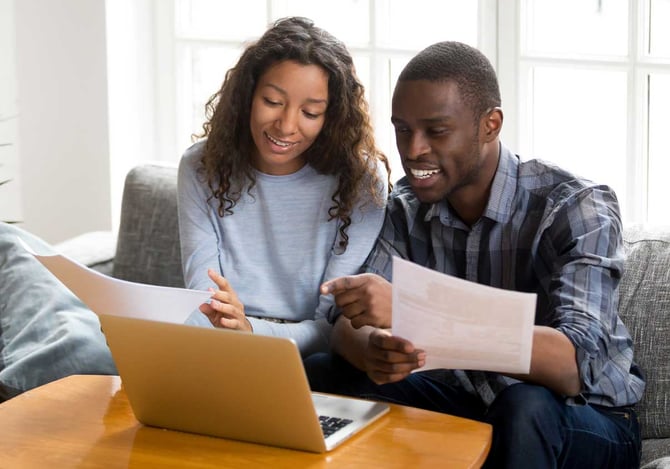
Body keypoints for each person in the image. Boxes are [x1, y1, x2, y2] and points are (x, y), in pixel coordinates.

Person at [305, 41, 645, 467]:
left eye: (436, 130)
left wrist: (417, 313)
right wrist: (372, 347)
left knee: (525, 407)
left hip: (583, 416)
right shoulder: (407, 206)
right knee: (324, 370)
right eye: (403, 129)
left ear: (490, 124)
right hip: (468, 402)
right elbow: (343, 326)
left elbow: (574, 364)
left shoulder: (576, 206)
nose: (413, 150)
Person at [178, 17, 390, 357]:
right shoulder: (201, 166)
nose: (287, 126)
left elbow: (329, 328)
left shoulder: (362, 181)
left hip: (308, 357)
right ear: (248, 95)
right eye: (273, 102)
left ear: (331, 117)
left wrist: (248, 330)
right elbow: (204, 302)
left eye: (310, 112)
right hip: (218, 345)